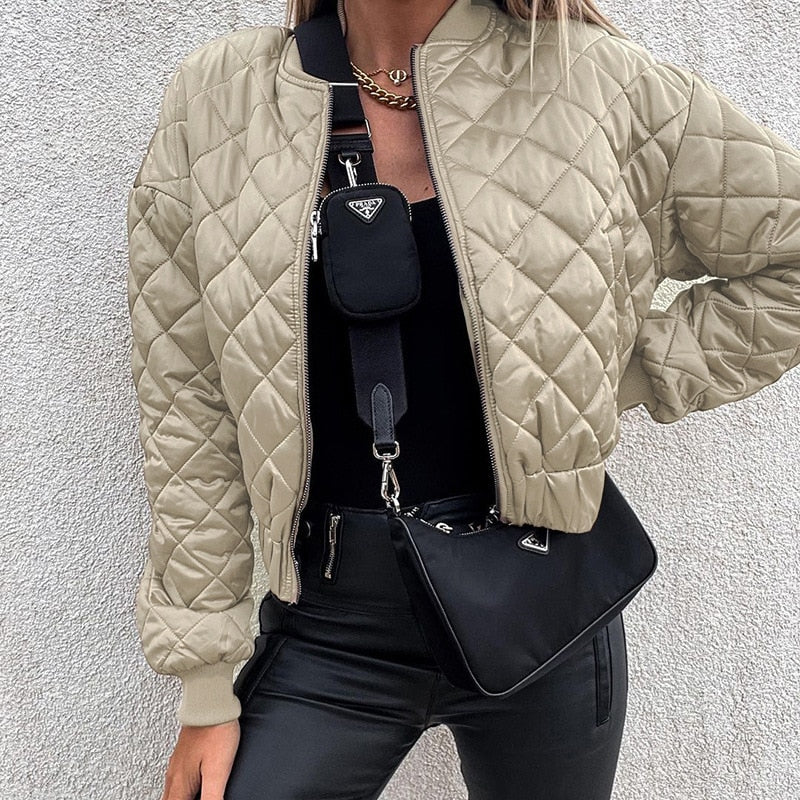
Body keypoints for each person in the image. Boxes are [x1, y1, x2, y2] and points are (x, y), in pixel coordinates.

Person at [125, 0, 800, 797]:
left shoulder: (595, 81)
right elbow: (188, 403)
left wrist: (615, 377)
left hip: (541, 608)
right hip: (329, 628)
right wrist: (206, 686)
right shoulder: (222, 99)